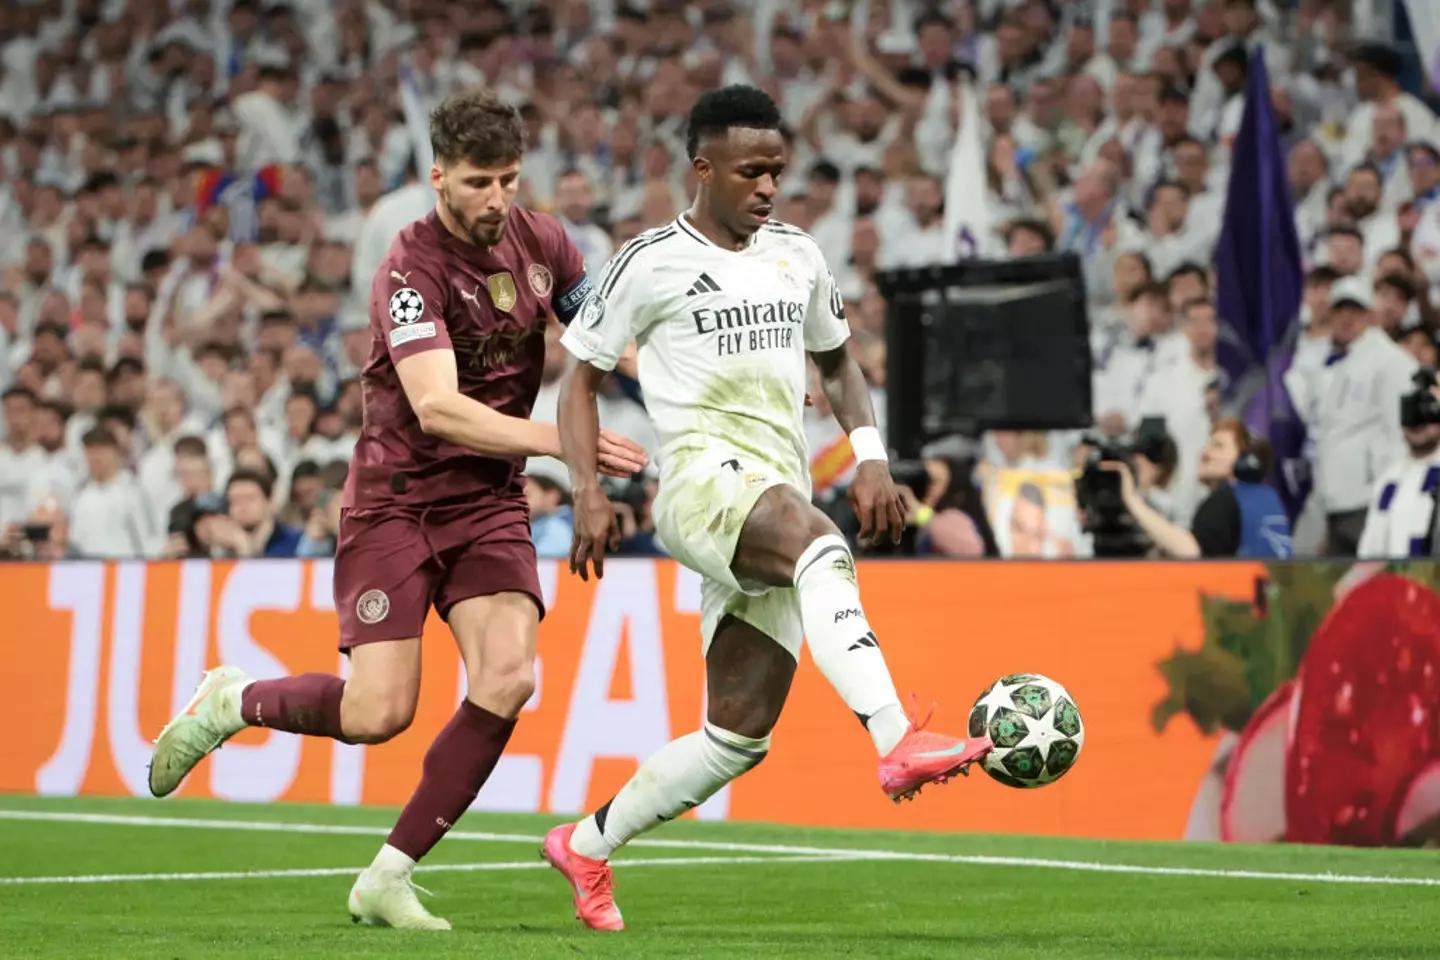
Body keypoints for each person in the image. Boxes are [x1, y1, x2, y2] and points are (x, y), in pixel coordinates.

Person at [146, 87, 648, 931]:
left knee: (511, 675)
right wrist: (562, 440)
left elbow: (607, 340)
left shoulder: (546, 243)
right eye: (481, 183)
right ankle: (233, 702)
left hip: (487, 501)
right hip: (397, 503)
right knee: (378, 713)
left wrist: (709, 383)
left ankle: (388, 875)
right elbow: (437, 408)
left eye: (511, 182)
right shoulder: (408, 271)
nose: (498, 200)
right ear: (439, 176)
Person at [547, 85, 994, 932]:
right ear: (703, 169)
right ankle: (896, 737)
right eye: (751, 171)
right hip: (699, 484)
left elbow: (839, 364)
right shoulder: (649, 261)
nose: (767, 188)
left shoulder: (797, 253)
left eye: (777, 172)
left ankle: (588, 844)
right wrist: (587, 489)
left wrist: (870, 459)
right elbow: (582, 382)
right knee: (822, 547)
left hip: (771, 486)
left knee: (737, 737)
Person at [1102, 419, 1293, 559]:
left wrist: (1131, 499)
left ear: (1245, 460)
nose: (1204, 453)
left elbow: (1190, 550)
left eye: (1218, 446)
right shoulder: (1269, 498)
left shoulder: (1225, 500)